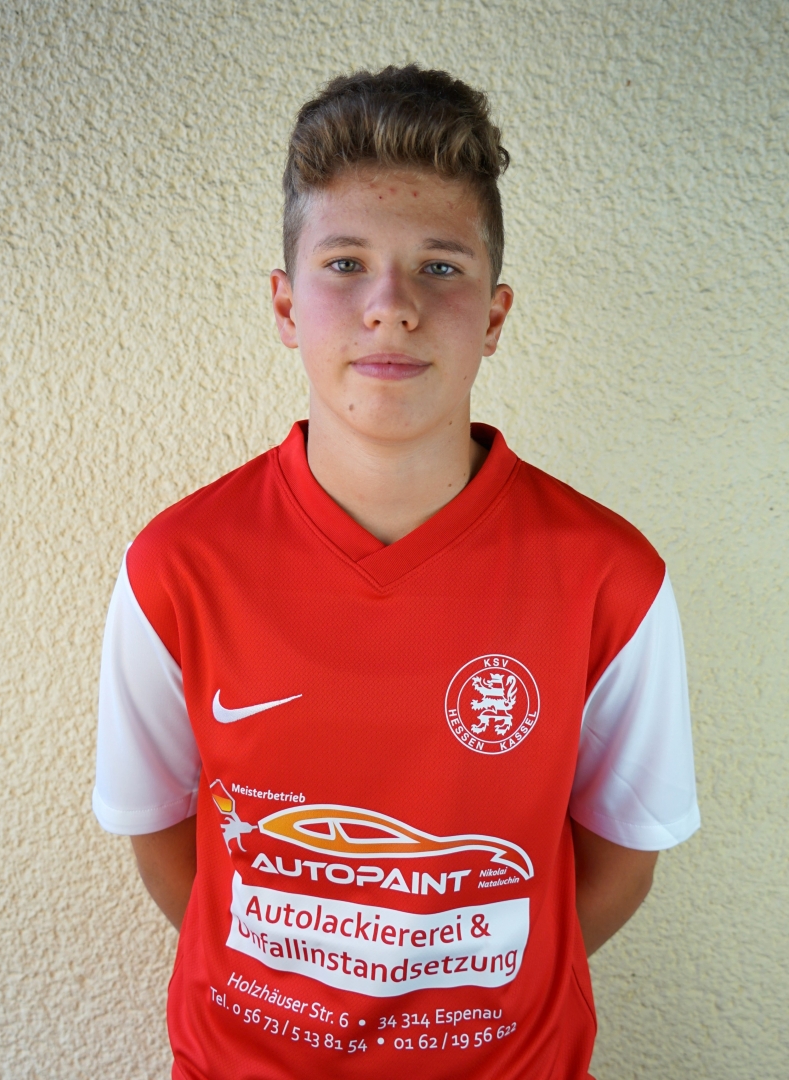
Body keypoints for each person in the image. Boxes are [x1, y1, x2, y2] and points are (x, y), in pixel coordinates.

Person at [93, 65, 700, 1080]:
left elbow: (621, 860)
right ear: (285, 306)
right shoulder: (176, 567)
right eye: (345, 264)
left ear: (494, 317)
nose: (391, 307)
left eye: (439, 267)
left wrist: (463, 1004)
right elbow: (161, 839)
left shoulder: (610, 578)